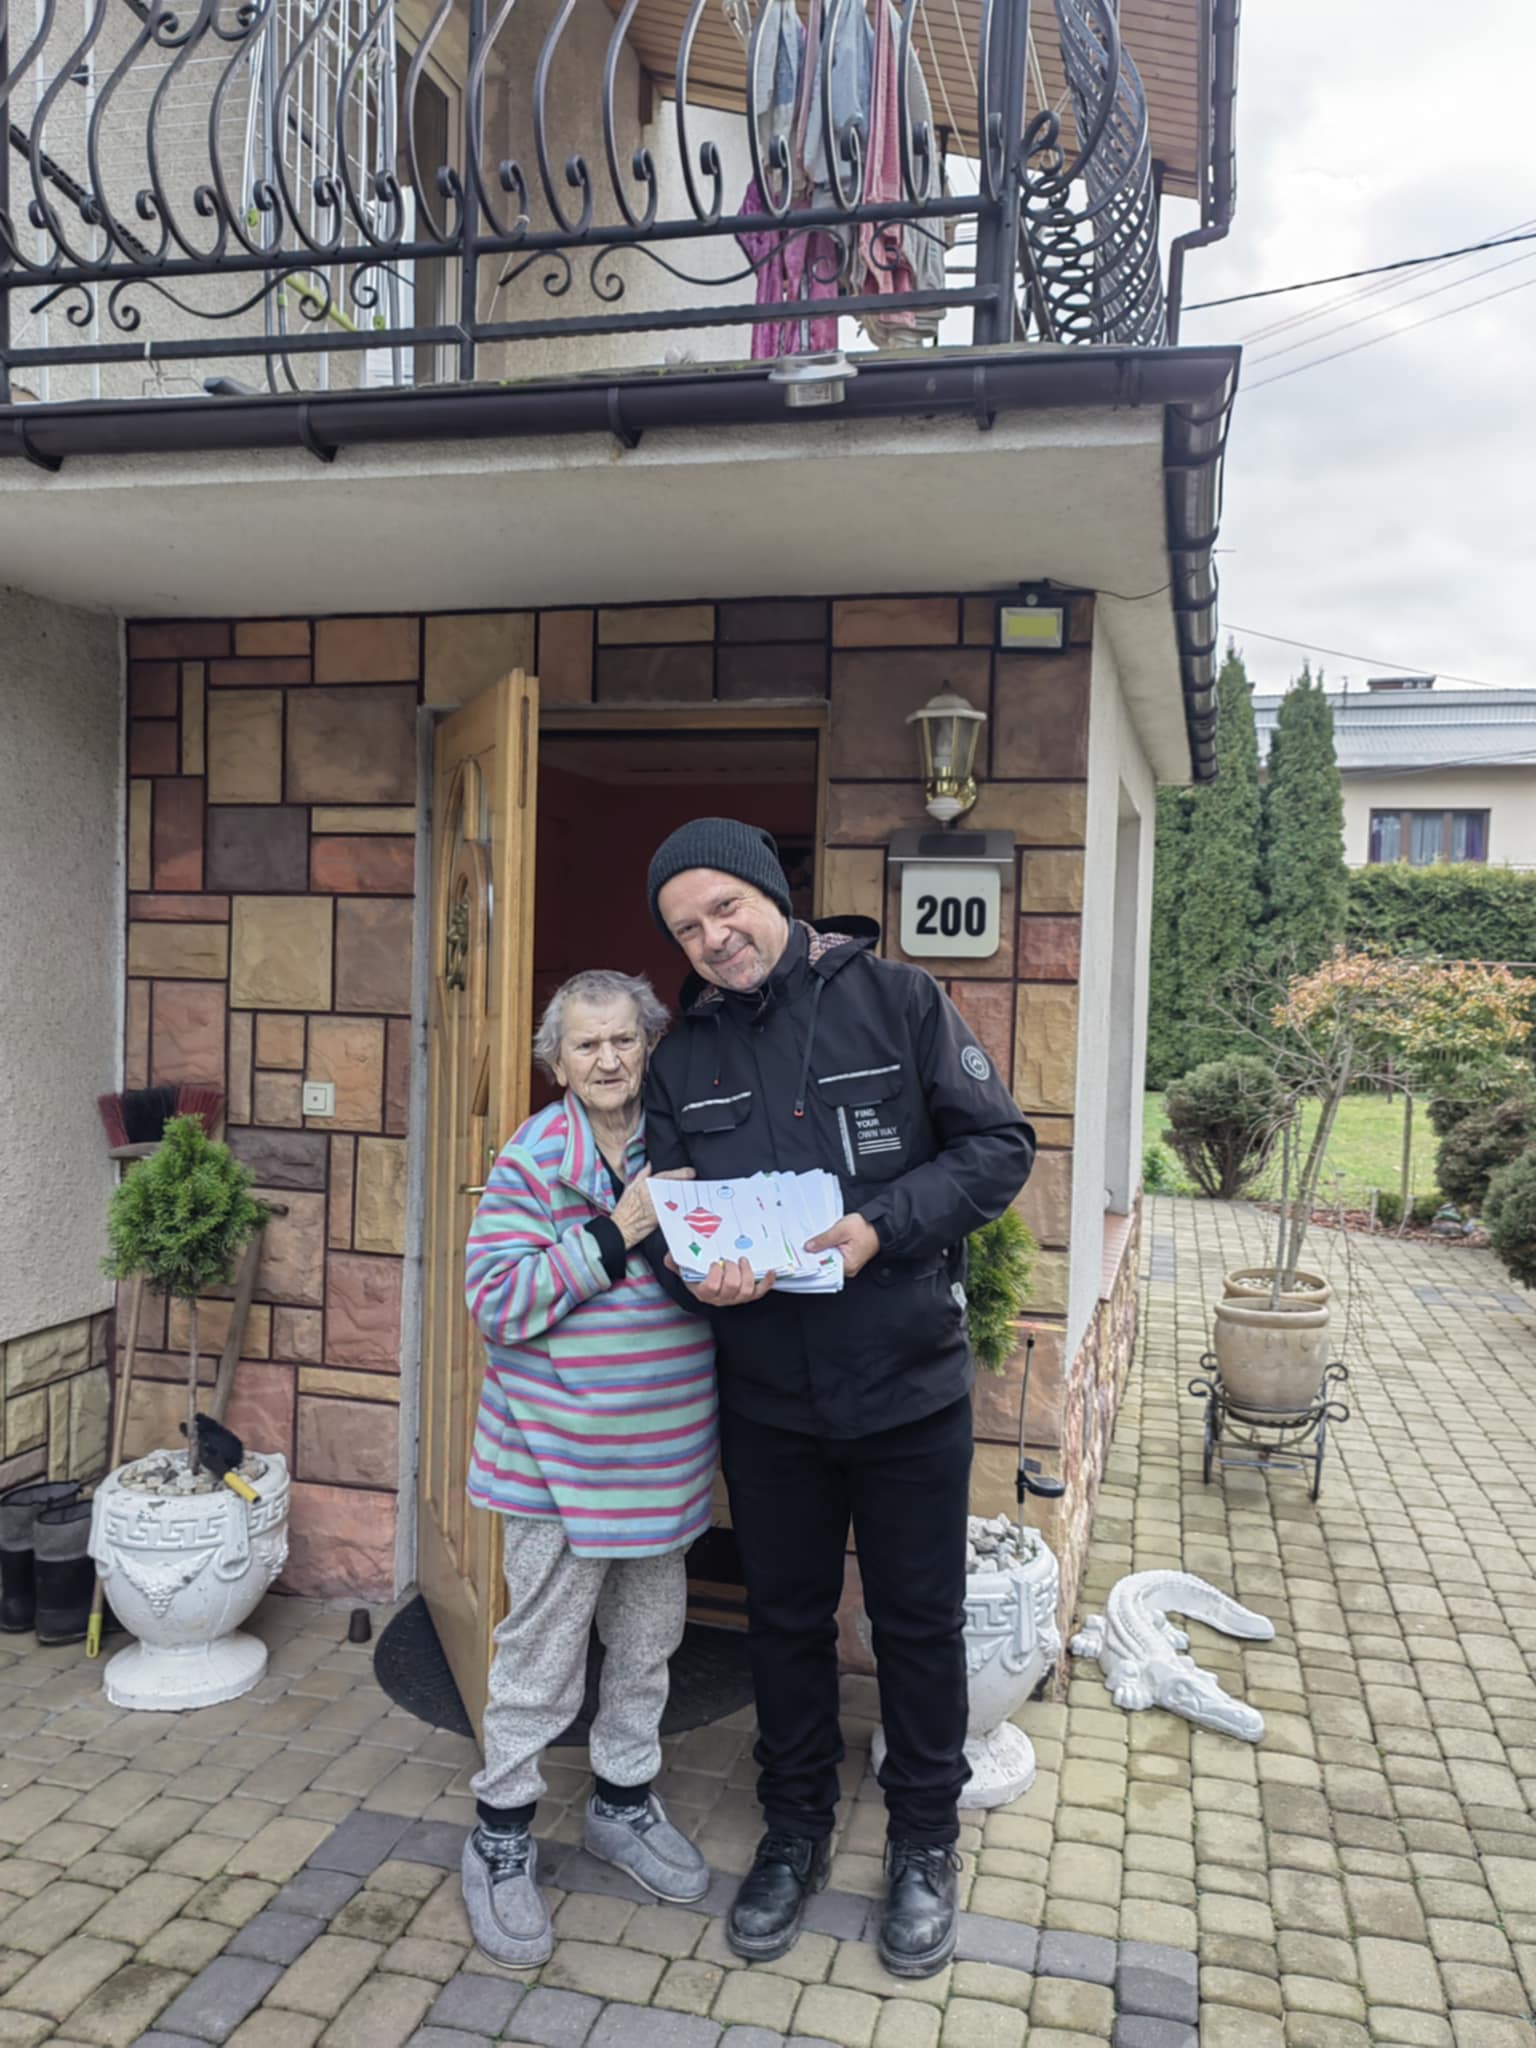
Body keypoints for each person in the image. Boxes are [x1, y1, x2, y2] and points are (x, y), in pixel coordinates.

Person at [642, 819, 1035, 1979]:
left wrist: (879, 1226)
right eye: (686, 927)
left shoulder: (900, 1001)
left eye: (725, 907)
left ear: (771, 893)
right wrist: (694, 1270)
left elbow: (998, 1147)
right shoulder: (681, 1058)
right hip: (769, 1398)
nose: (713, 938)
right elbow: (666, 1212)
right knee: (784, 1620)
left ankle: (923, 1840)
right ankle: (794, 1828)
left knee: (917, 1622)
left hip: (908, 1383)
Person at [461, 969, 717, 1968]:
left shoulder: (688, 1139)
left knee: (648, 1644)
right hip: (553, 1457)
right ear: (557, 1062)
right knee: (541, 1656)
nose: (608, 1059)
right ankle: (500, 1833)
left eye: (623, 1040)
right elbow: (498, 1300)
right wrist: (620, 1230)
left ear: (649, 1045)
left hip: (665, 1451)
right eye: (586, 1045)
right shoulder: (531, 1159)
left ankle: (622, 1802)